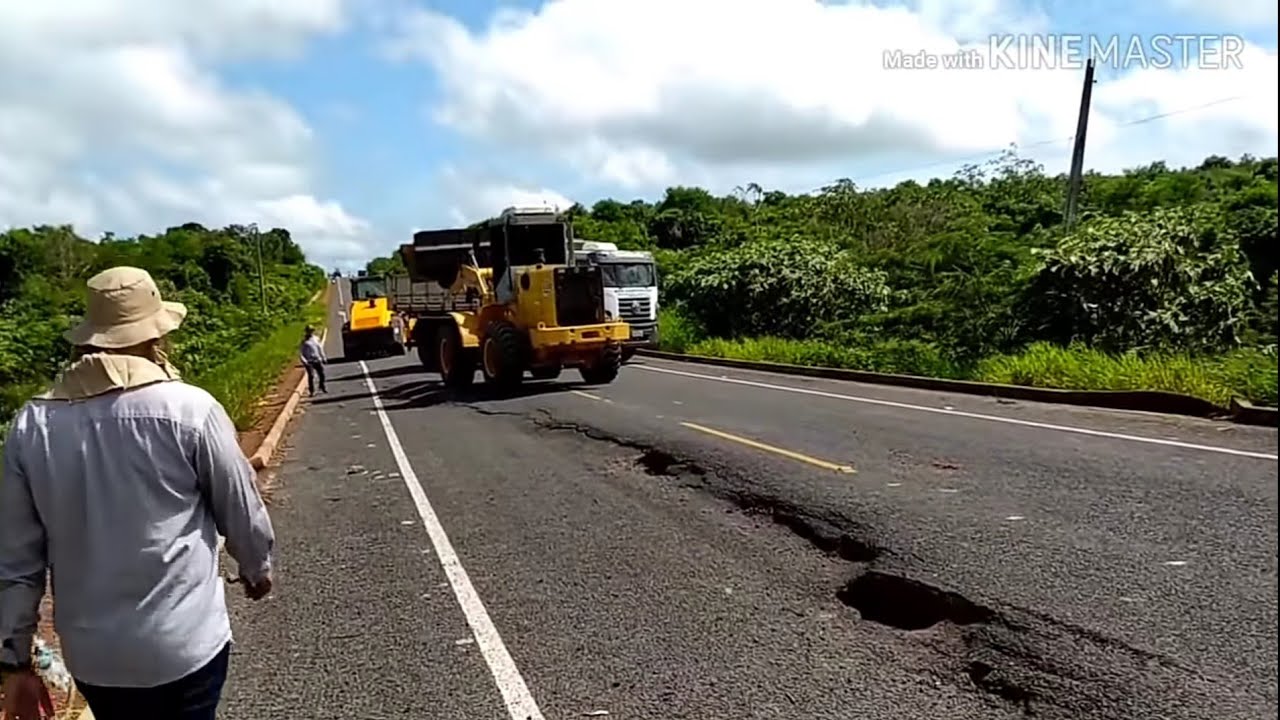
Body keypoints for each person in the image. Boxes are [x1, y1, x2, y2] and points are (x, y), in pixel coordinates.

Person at [0, 266, 275, 720]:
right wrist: (256, 568)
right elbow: (240, 506)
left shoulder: (32, 425)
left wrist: (15, 661)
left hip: (95, 658)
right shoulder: (190, 408)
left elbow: (16, 561)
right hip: (185, 643)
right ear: (155, 337)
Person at [299, 325, 327, 396]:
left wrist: (323, 357)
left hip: (317, 359)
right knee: (311, 376)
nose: (310, 332)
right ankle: (312, 391)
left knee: (322, 374)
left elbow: (320, 348)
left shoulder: (316, 339)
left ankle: (322, 386)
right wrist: (304, 361)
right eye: (309, 331)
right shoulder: (304, 342)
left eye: (311, 331)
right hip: (309, 361)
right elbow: (301, 353)